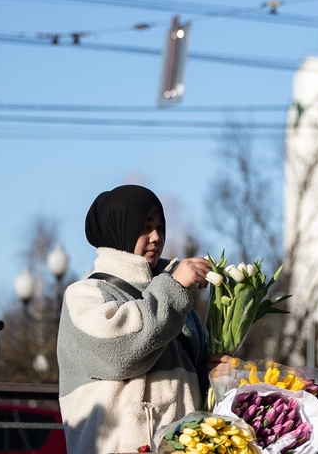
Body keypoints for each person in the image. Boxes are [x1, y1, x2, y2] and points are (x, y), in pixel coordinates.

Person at [57, 185, 220, 454]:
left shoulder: (177, 299)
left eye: (161, 227)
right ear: (119, 228)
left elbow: (196, 385)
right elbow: (117, 354)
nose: (156, 237)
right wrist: (174, 287)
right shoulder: (85, 295)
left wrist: (216, 374)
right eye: (145, 226)